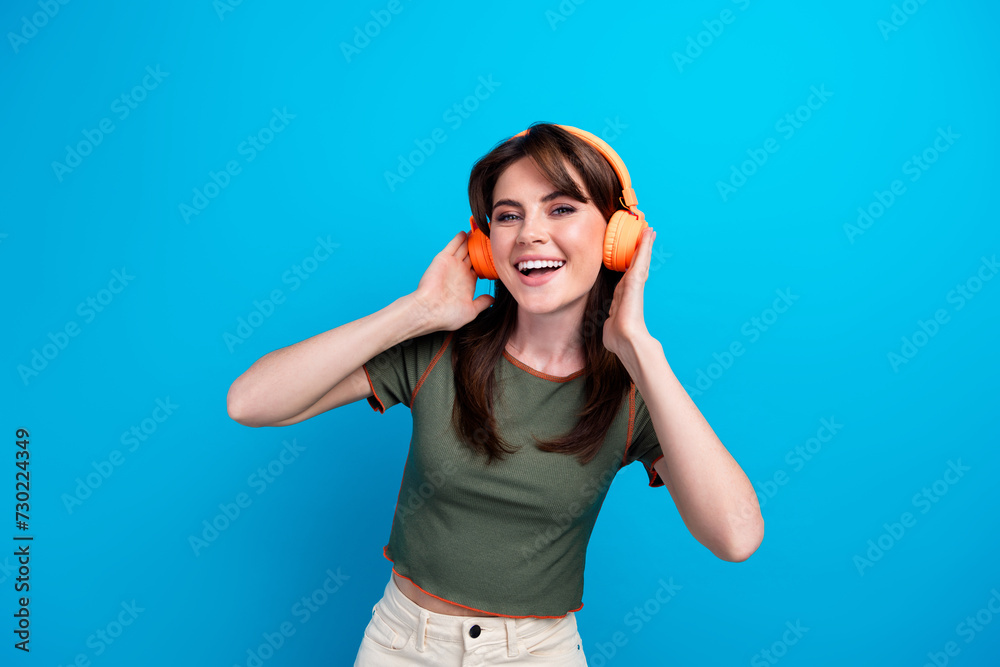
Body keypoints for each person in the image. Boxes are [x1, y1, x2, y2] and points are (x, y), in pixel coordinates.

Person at [226, 122, 764, 665]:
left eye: (560, 208)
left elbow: (736, 537)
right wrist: (416, 311)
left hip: (537, 654)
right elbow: (249, 402)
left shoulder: (637, 391)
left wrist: (641, 350)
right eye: (509, 215)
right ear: (486, 245)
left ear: (615, 237)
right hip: (400, 644)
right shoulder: (439, 349)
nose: (529, 233)